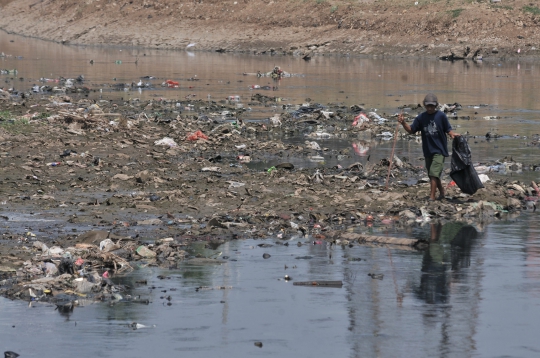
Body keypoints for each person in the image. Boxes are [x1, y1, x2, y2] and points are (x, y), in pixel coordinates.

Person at [398, 93, 459, 201]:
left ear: (436, 105)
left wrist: (452, 134)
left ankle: (432, 197)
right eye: (428, 106)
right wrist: (403, 122)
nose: (430, 108)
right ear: (424, 106)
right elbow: (411, 130)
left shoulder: (441, 116)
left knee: (434, 173)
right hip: (427, 150)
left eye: (432, 106)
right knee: (432, 175)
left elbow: (448, 128)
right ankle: (442, 193)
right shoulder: (421, 118)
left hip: (439, 150)